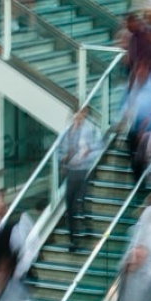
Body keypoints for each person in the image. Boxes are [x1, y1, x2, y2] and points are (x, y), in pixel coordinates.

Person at [58, 106, 103, 253]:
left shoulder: (90, 130)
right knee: (70, 205)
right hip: (71, 172)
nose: (78, 117)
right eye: (76, 114)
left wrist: (86, 154)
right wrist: (63, 158)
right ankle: (73, 239)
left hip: (84, 171)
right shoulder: (67, 132)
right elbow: (58, 150)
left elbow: (99, 147)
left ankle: (87, 228)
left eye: (81, 114)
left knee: (81, 202)